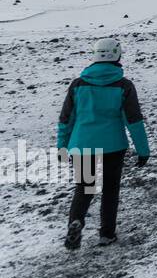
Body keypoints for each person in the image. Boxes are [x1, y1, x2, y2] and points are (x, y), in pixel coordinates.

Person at [57, 37, 151, 249]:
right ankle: (106, 234)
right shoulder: (124, 86)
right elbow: (134, 121)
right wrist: (143, 150)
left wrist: (62, 148)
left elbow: (66, 120)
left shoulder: (78, 85)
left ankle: (76, 222)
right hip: (113, 146)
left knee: (84, 189)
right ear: (117, 55)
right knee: (110, 191)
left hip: (82, 146)